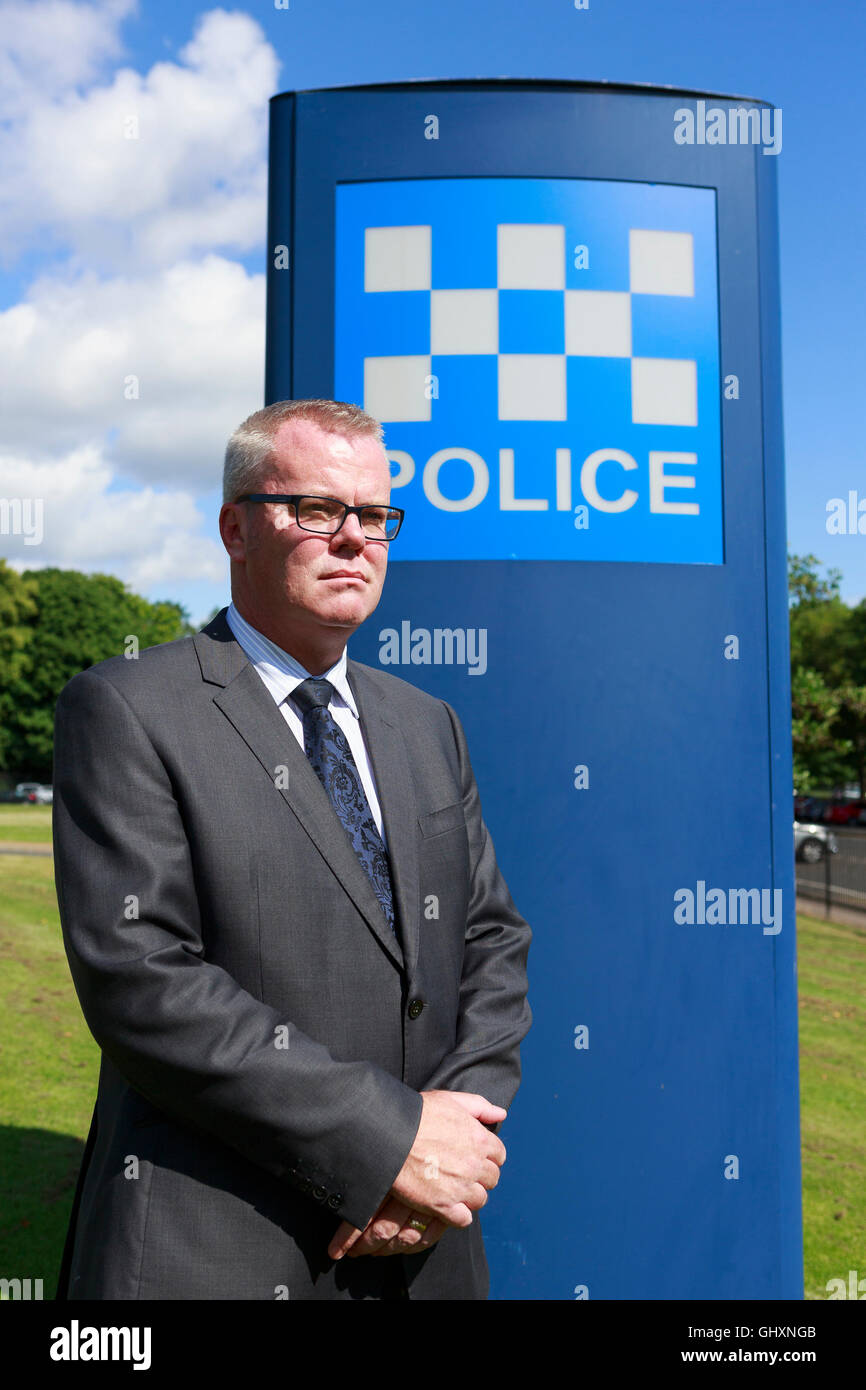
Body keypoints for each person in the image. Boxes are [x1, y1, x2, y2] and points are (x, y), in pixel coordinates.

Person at [53, 398, 532, 1301]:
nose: (355, 539)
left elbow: (493, 945)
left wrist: (449, 1145)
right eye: (317, 510)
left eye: (376, 515)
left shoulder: (429, 725)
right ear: (236, 528)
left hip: (422, 1246)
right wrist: (387, 1143)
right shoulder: (127, 709)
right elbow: (142, 978)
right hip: (216, 1242)